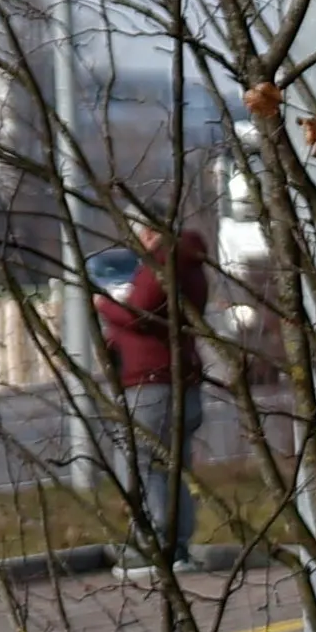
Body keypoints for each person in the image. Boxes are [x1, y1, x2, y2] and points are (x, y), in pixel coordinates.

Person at [95, 222, 209, 563]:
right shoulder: (190, 264)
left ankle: (156, 545)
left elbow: (140, 312)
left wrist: (103, 304)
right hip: (180, 380)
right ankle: (178, 546)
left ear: (149, 233)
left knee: (144, 464)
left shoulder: (163, 262)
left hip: (151, 383)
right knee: (174, 467)